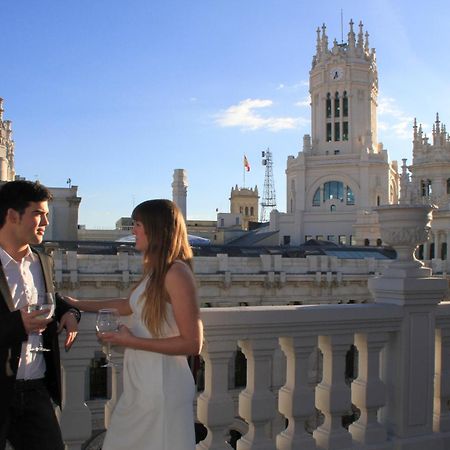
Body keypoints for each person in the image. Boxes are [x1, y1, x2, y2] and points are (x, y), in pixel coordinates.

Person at [66, 199, 203, 450]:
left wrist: (131, 341)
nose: (133, 231)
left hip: (162, 385)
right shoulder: (155, 274)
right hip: (145, 384)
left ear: (156, 229)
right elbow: (127, 305)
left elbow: (193, 342)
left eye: (138, 224)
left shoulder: (177, 273)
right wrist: (76, 303)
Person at [0, 180, 80, 450]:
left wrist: (69, 312)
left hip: (36, 390)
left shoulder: (42, 260)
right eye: (38, 213)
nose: (46, 221)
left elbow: (49, 299)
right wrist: (16, 325)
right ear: (12, 215)